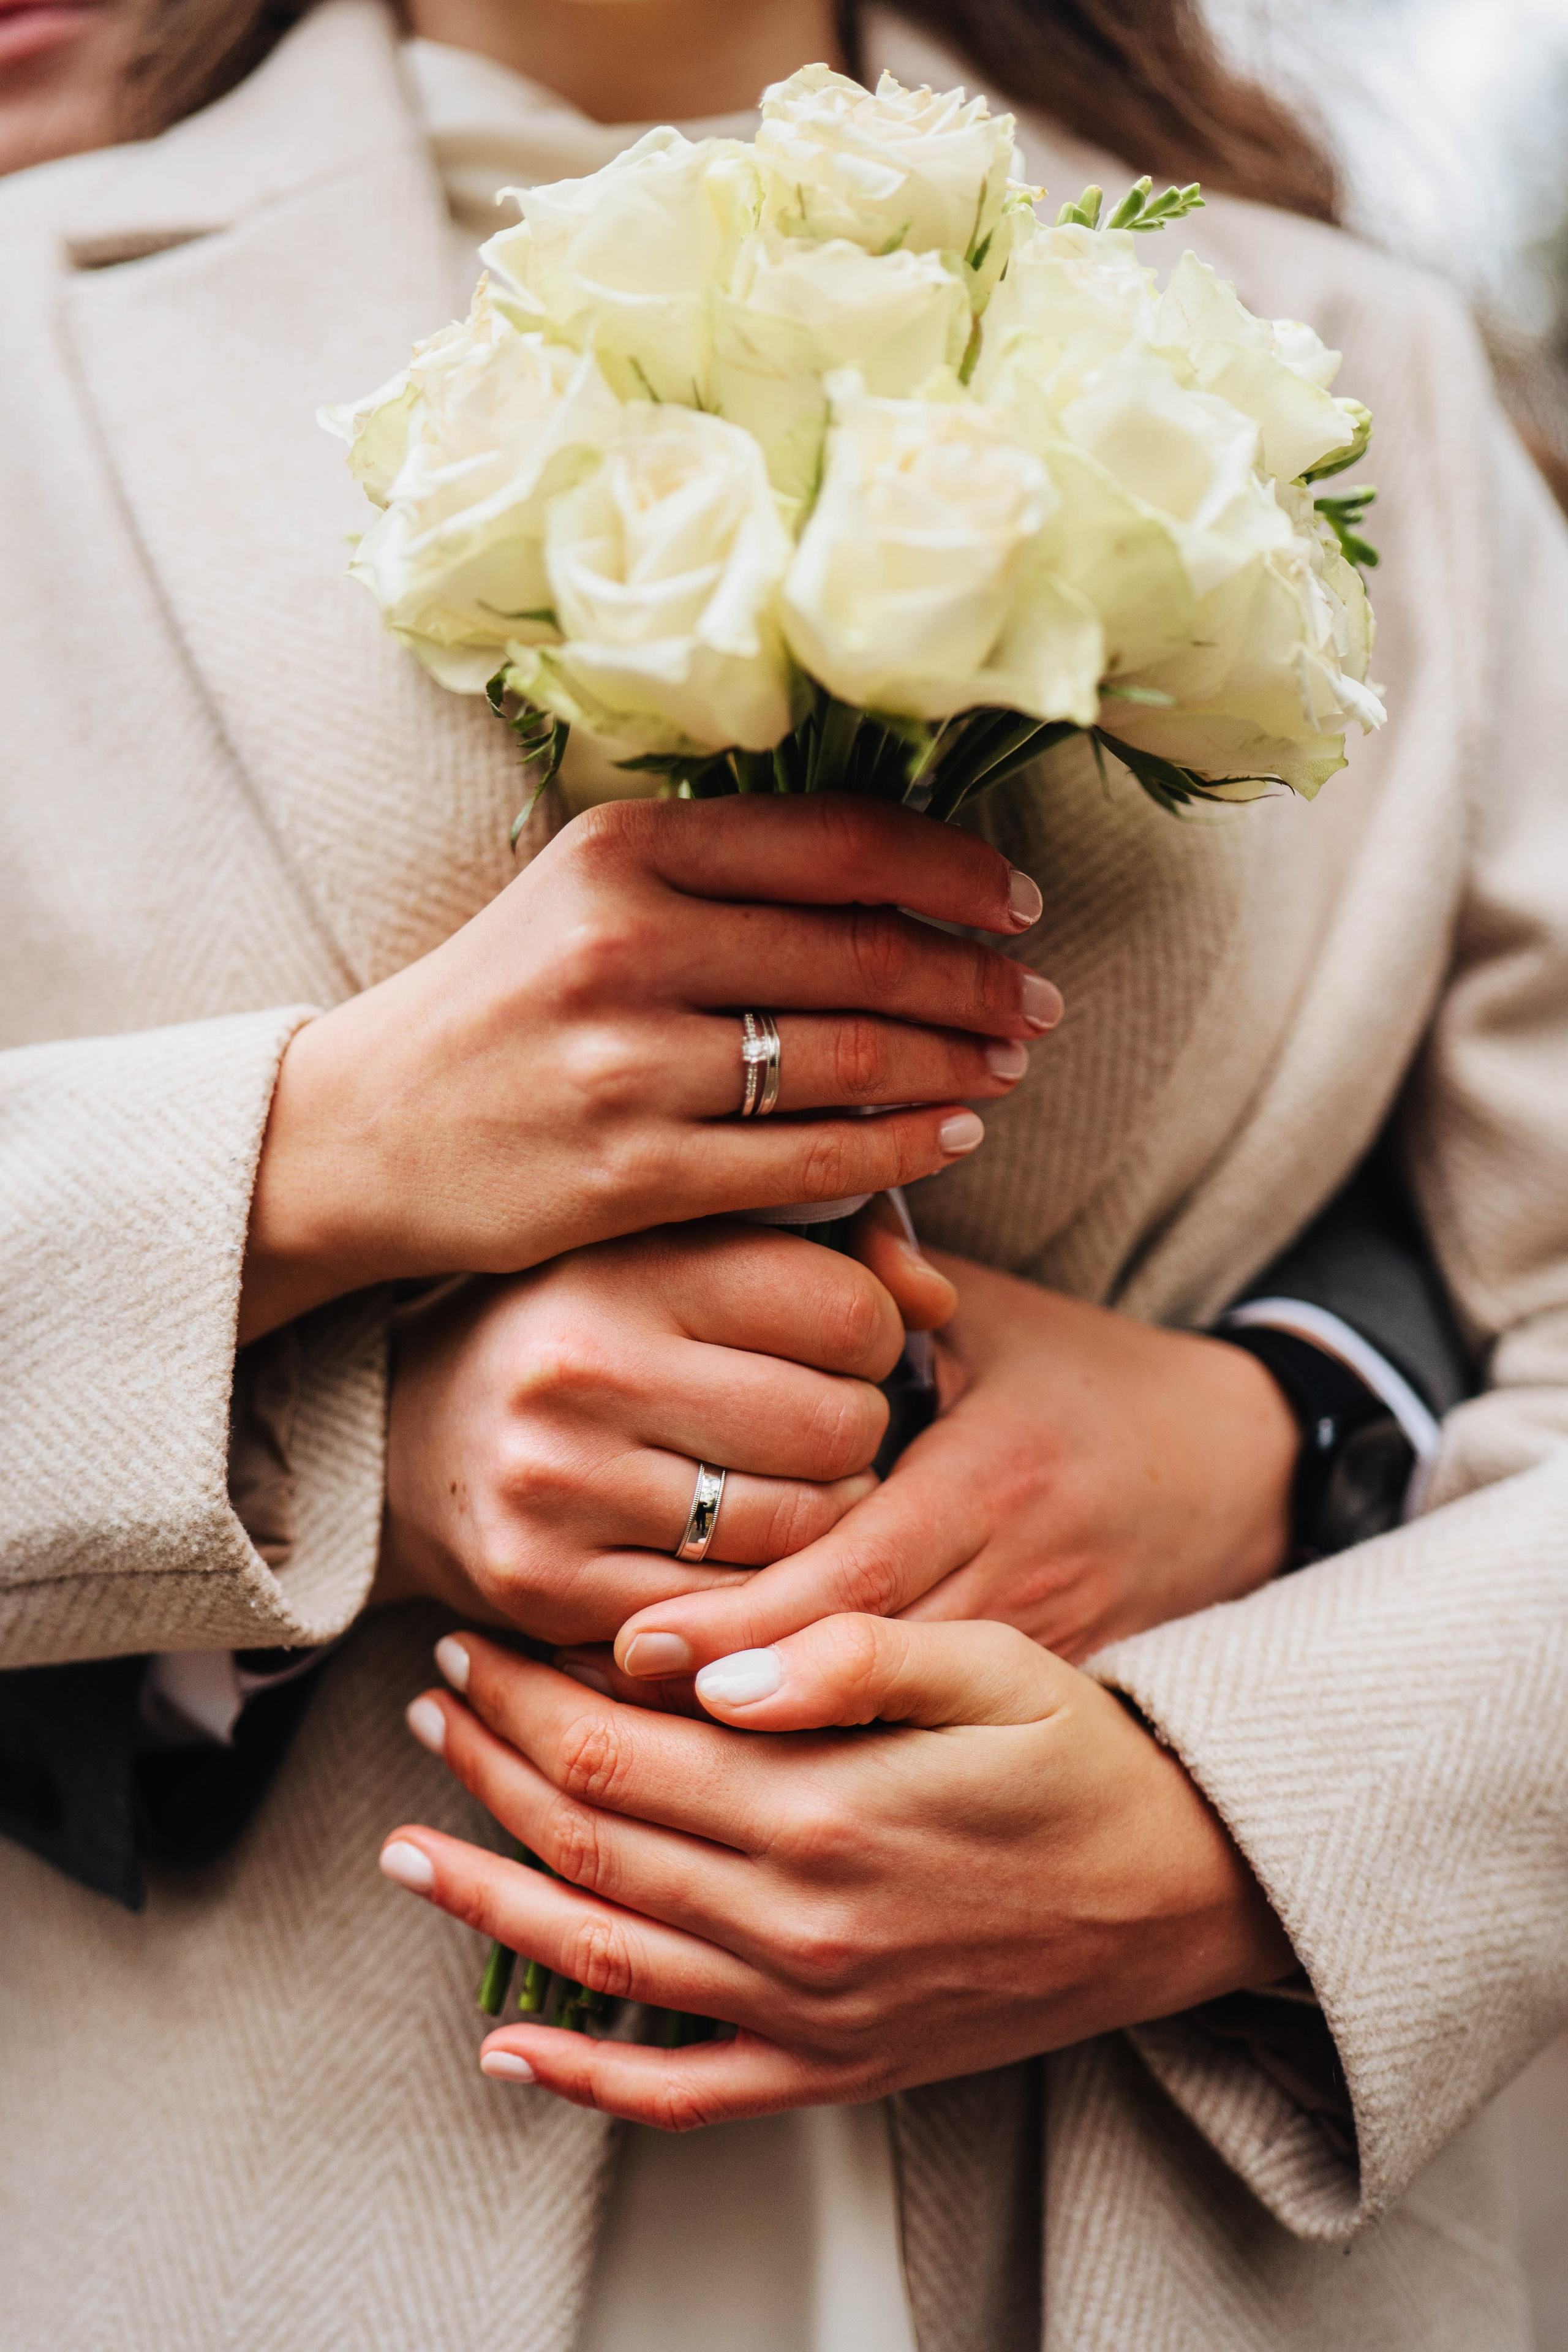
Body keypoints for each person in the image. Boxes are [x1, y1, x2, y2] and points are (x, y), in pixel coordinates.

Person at [1, 6, 1565, 2352]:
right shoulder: (31, 337)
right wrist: (319, 1209)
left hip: (1168, 2221)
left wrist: (1238, 1812)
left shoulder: (1364, 374)